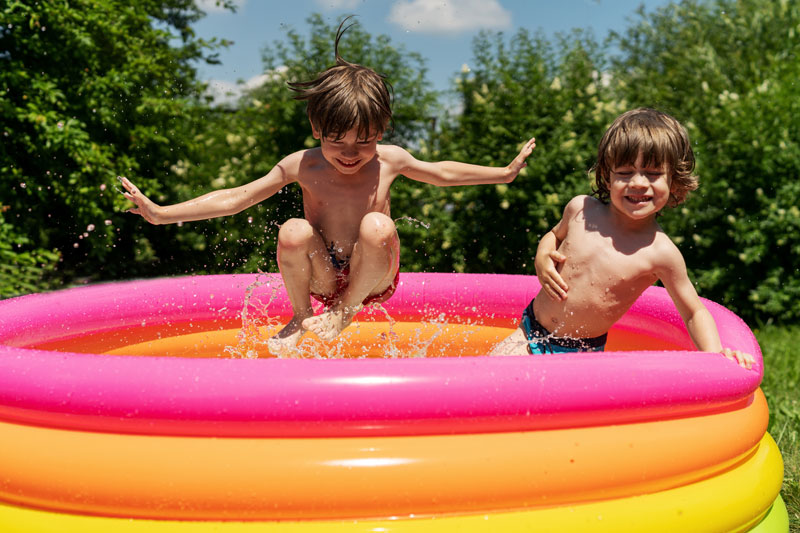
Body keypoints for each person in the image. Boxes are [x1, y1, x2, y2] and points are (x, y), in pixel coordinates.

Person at [120, 19, 536, 356]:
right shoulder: (302, 165)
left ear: (382, 130)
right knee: (292, 230)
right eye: (337, 141)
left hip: (373, 275)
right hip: (323, 271)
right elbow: (237, 198)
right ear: (317, 129)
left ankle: (345, 311)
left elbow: (441, 172)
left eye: (365, 140)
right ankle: (303, 317)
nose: (351, 152)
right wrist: (163, 213)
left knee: (377, 225)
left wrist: (500, 173)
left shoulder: (391, 159)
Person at [491, 107, 753, 369]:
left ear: (674, 180)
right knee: (489, 384)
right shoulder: (581, 209)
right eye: (625, 172)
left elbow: (693, 311)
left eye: (652, 173)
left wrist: (716, 355)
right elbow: (553, 235)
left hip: (581, 354)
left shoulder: (661, 252)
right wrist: (542, 255)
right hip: (529, 332)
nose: (638, 182)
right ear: (607, 176)